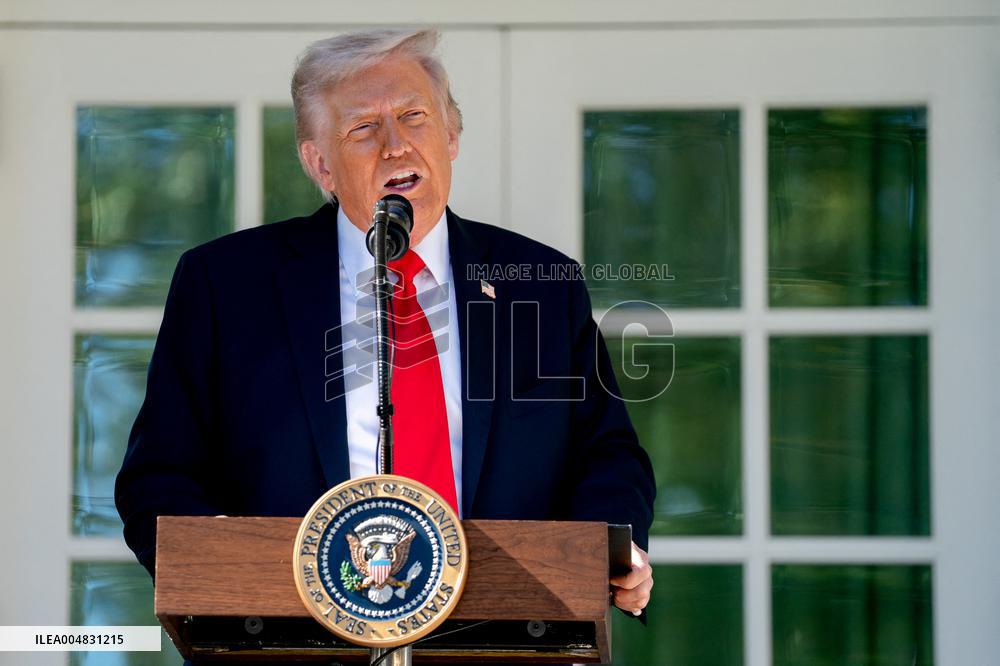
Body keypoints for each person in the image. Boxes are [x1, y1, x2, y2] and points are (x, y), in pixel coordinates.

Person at [115, 29, 655, 627]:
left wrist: (612, 547)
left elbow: (606, 453)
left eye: (414, 116)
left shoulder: (542, 283)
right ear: (320, 163)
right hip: (283, 644)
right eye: (363, 129)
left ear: (450, 135)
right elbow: (159, 476)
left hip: (504, 635)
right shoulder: (225, 284)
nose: (396, 146)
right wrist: (222, 560)